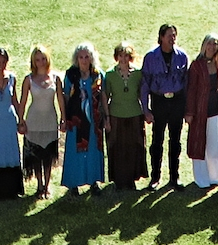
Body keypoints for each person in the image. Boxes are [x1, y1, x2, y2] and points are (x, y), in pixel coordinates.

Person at [141, 23, 191, 185]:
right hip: (159, 102)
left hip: (177, 101)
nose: (172, 38)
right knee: (157, 140)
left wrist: (187, 108)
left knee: (175, 140)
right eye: (169, 35)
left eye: (174, 35)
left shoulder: (182, 56)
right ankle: (155, 177)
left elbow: (187, 83)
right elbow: (144, 85)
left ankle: (174, 177)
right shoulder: (150, 57)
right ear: (161, 37)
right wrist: (145, 109)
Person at [58, 45, 107, 196]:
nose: (84, 60)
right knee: (74, 151)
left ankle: (94, 182)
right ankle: (73, 184)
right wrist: (64, 118)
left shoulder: (98, 75)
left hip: (94, 120)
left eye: (87, 57)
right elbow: (65, 97)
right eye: (81, 57)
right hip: (76, 120)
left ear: (92, 58)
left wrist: (107, 117)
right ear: (76, 59)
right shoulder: (70, 75)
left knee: (93, 150)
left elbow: (104, 96)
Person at [104, 43, 148, 190]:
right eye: (121, 55)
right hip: (116, 115)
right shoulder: (110, 75)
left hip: (135, 115)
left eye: (127, 55)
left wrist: (146, 112)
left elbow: (142, 95)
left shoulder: (138, 73)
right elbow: (105, 96)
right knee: (117, 148)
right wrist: (107, 118)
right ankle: (118, 180)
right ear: (117, 57)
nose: (124, 58)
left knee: (134, 147)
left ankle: (131, 179)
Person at [185, 34, 218, 189]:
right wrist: (189, 112)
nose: (212, 47)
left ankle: (214, 177)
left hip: (215, 110)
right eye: (209, 43)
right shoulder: (196, 65)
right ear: (204, 45)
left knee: (214, 145)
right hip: (199, 111)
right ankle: (201, 179)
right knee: (199, 144)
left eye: (215, 44)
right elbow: (191, 90)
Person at [20, 46, 60, 200]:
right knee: (36, 156)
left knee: (48, 155)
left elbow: (60, 100)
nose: (41, 62)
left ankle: (47, 185)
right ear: (33, 62)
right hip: (33, 121)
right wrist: (21, 120)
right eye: (37, 60)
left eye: (43, 59)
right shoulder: (28, 79)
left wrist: (63, 118)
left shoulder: (55, 78)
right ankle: (39, 185)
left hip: (50, 121)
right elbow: (23, 101)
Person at [0, 48, 24, 201]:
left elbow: (15, 100)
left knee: (10, 151)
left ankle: (13, 189)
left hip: (9, 120)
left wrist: (21, 120)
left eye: (3, 62)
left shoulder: (12, 78)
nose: (1, 65)